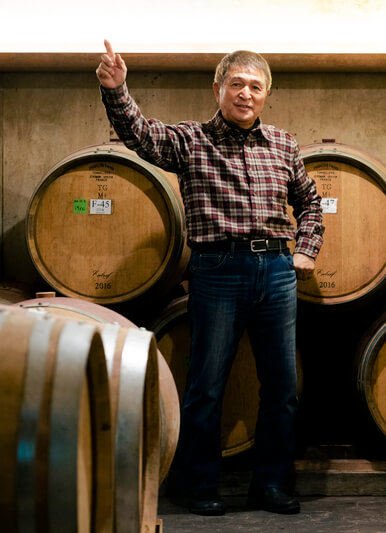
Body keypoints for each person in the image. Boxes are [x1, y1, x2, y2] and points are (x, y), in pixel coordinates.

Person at [97, 40, 323, 516]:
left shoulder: (282, 143)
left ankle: (271, 486)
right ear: (217, 88)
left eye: (255, 87)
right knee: (207, 385)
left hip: (277, 271)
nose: (246, 94)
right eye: (236, 84)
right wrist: (118, 90)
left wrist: (305, 249)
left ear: (266, 94)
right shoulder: (191, 140)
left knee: (282, 388)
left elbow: (310, 201)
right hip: (218, 269)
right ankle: (200, 487)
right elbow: (140, 134)